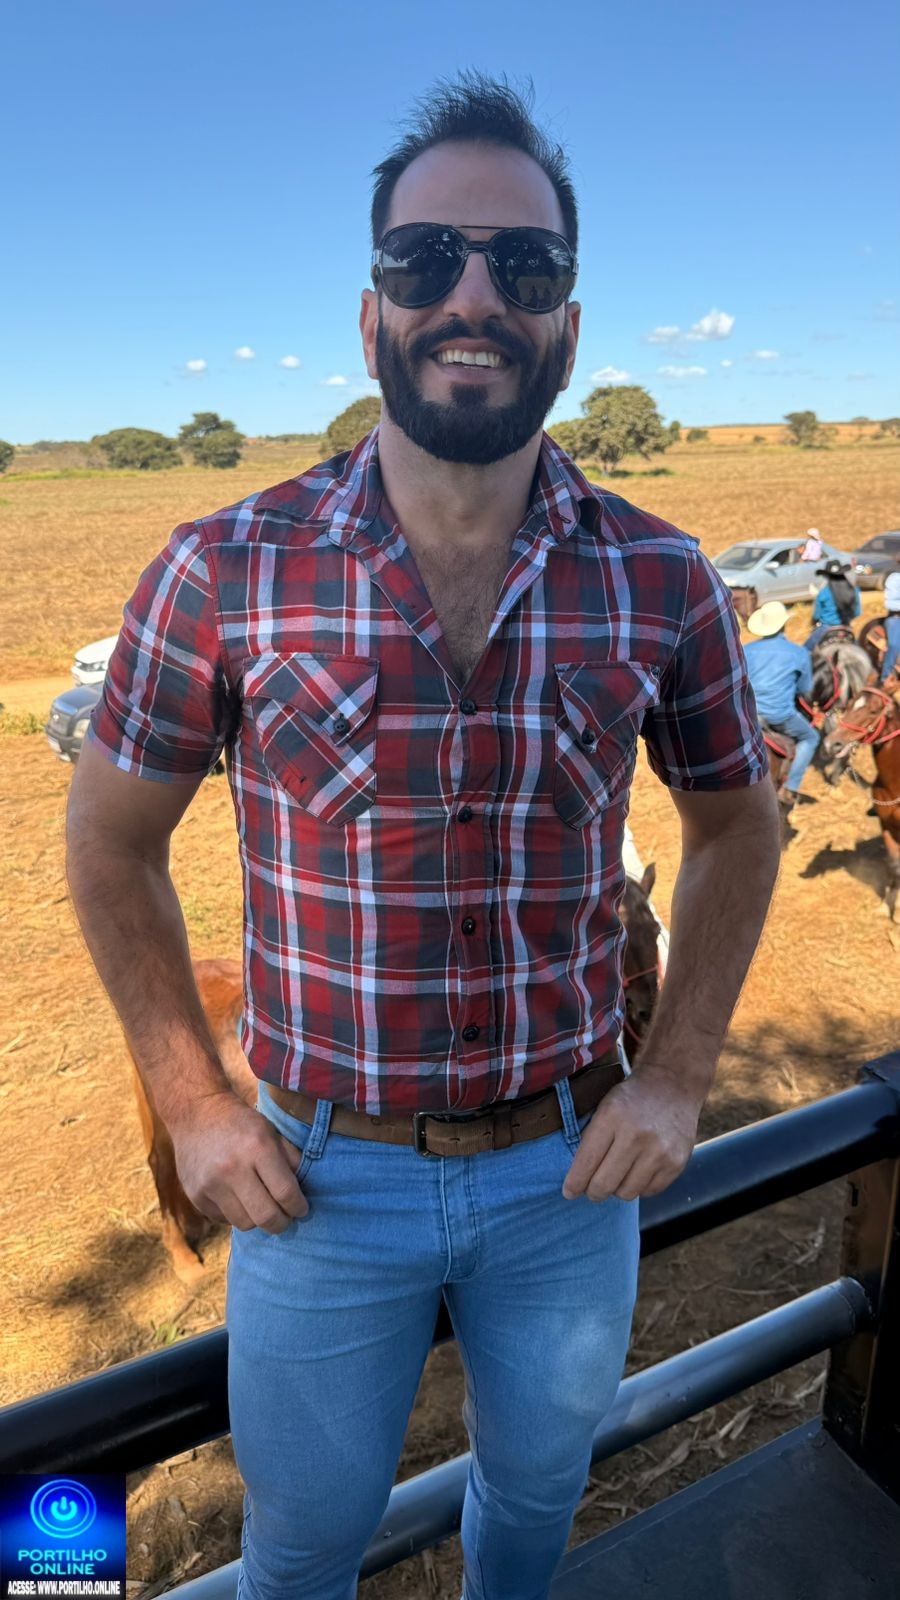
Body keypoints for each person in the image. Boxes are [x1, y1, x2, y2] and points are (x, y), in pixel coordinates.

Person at [65, 73, 780, 1600]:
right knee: (302, 1547)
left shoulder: (662, 579)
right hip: (320, 1182)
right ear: (370, 312)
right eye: (425, 258)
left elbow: (735, 825)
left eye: (524, 265)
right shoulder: (221, 570)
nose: (474, 296)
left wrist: (675, 1074)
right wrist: (191, 1104)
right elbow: (109, 843)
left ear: (567, 324)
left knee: (535, 1498)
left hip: (568, 1179)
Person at [745, 600, 820, 806]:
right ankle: (790, 787)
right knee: (811, 737)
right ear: (784, 624)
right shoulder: (799, 653)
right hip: (780, 716)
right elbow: (805, 689)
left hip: (748, 715)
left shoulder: (746, 650)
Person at [805, 557, 861, 651]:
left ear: (827, 576)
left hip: (826, 628)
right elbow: (857, 613)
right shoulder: (854, 590)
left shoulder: (823, 593)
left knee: (804, 651)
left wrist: (814, 621)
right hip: (846, 628)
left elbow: (817, 615)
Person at [880, 570, 900, 682]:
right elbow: (890, 603)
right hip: (896, 617)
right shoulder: (895, 579)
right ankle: (886, 677)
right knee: (894, 645)